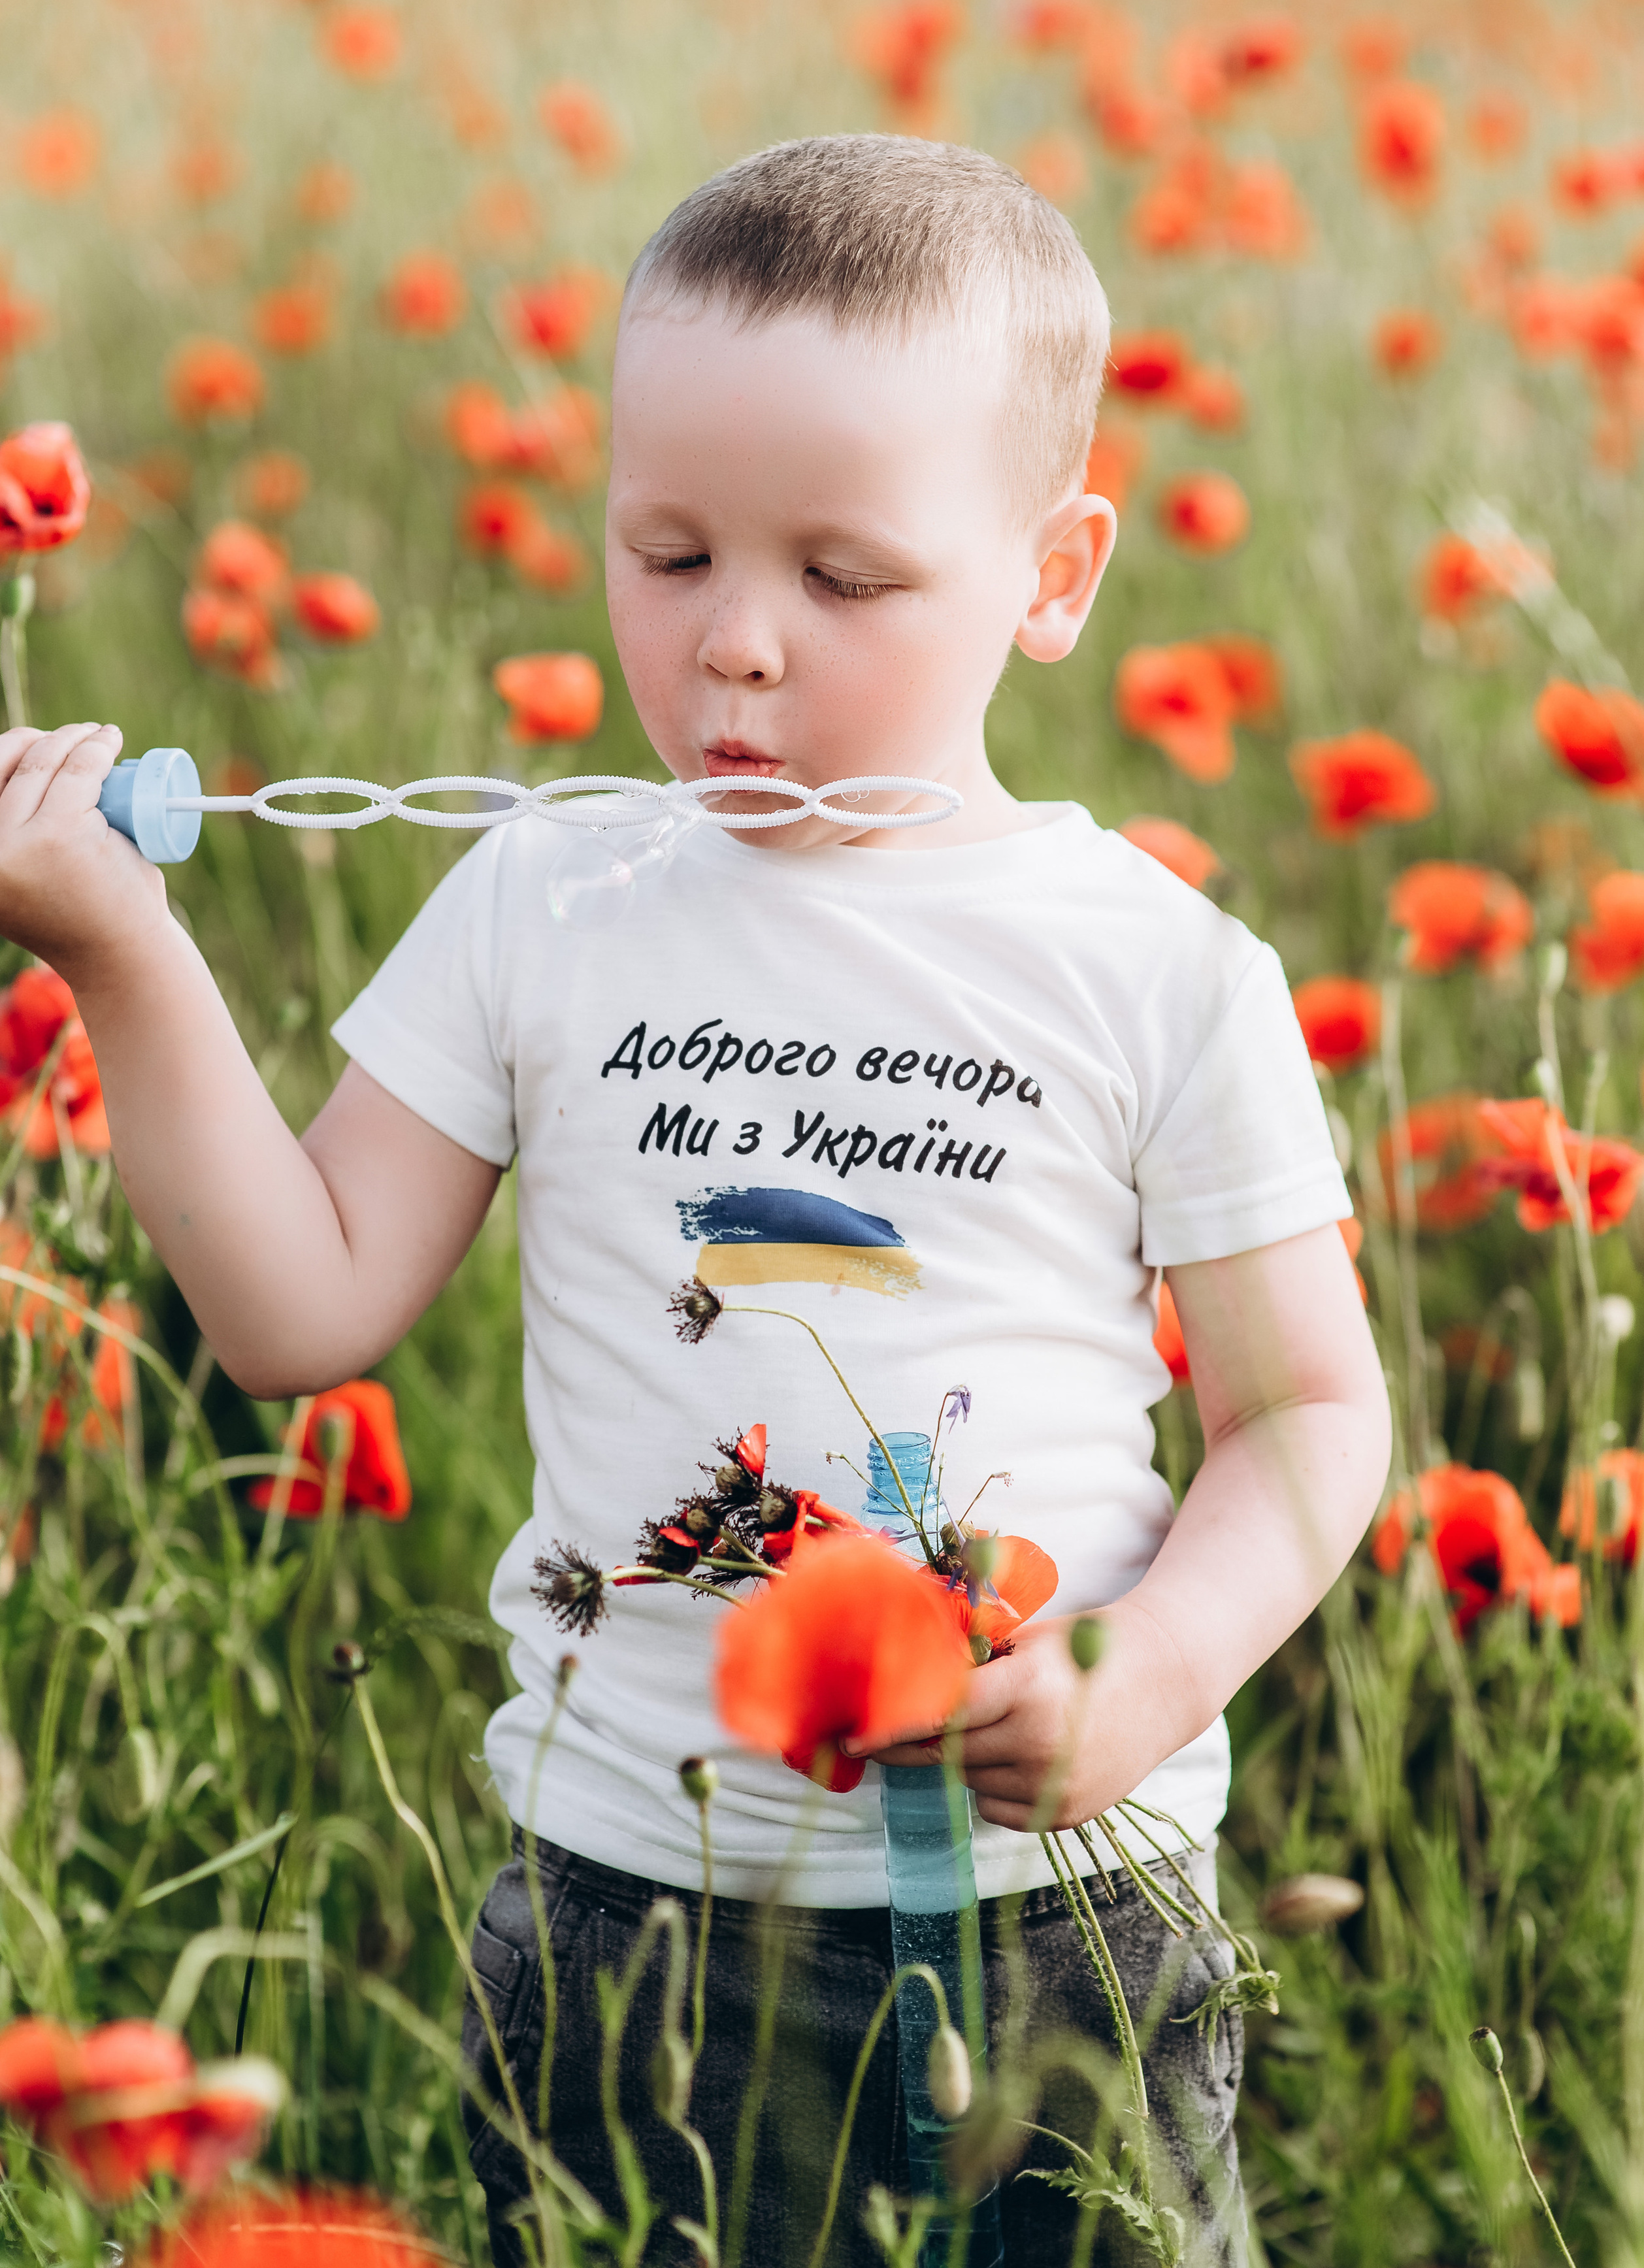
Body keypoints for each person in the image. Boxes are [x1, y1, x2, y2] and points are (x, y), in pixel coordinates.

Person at [0, 134, 1390, 2265]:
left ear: (1056, 570)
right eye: (667, 554)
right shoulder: (546, 896)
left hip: (1052, 1917)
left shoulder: (1153, 966)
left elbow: (1306, 1421)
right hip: (623, 1916)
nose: (736, 645)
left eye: (841, 578)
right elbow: (300, 1304)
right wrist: (116, 946)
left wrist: (1140, 1681)